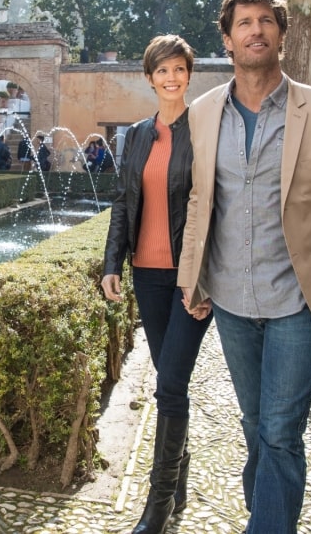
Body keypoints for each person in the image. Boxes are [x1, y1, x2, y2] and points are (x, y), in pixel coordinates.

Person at [178, 0, 311, 534]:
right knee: (253, 424)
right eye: (244, 22)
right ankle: (265, 514)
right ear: (227, 39)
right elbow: (201, 200)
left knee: (281, 432)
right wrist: (189, 277)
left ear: (282, 36)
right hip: (232, 300)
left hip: (298, 301)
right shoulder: (202, 114)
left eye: (266, 20)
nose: (256, 30)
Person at [101, 35, 212, 534]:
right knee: (174, 384)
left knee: (169, 383)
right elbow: (123, 203)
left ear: (189, 75)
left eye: (178, 69)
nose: (171, 78)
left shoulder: (206, 131)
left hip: (188, 280)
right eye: (161, 71)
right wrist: (111, 264)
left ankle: (159, 505)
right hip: (146, 275)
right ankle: (180, 477)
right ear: (149, 78)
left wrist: (203, 278)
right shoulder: (135, 138)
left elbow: (216, 208)